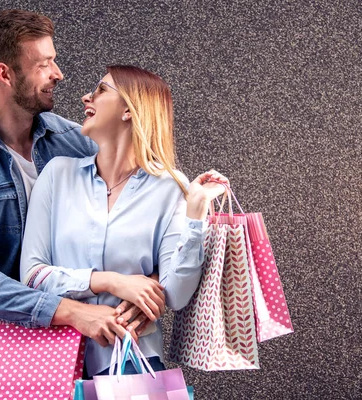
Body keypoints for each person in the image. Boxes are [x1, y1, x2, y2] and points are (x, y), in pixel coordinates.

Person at [0, 10, 142, 400]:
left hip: (75, 356)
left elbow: (139, 198)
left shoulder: (74, 140)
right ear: (5, 74)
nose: (58, 73)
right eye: (44, 64)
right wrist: (70, 309)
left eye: (54, 60)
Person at [20, 65, 229, 377]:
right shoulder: (56, 174)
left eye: (102, 90)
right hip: (51, 362)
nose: (86, 97)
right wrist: (112, 281)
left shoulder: (171, 186)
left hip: (132, 360)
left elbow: (177, 292)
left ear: (129, 110)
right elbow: (33, 276)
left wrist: (196, 215)